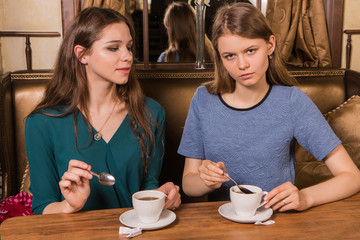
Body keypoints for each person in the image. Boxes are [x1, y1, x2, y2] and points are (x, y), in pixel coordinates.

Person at [178, 2, 360, 212]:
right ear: (219, 57)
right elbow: (188, 184)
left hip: (278, 221)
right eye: (230, 56)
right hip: (222, 223)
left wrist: (305, 197)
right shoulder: (203, 100)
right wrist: (205, 180)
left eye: (251, 50)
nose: (242, 65)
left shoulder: (292, 101)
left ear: (270, 45)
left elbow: (352, 177)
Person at [25, 7, 181, 215]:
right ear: (82, 55)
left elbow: (148, 187)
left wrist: (162, 196)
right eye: (113, 48)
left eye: (129, 47)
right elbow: (42, 207)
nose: (127, 57)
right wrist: (69, 205)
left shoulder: (152, 113)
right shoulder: (41, 122)